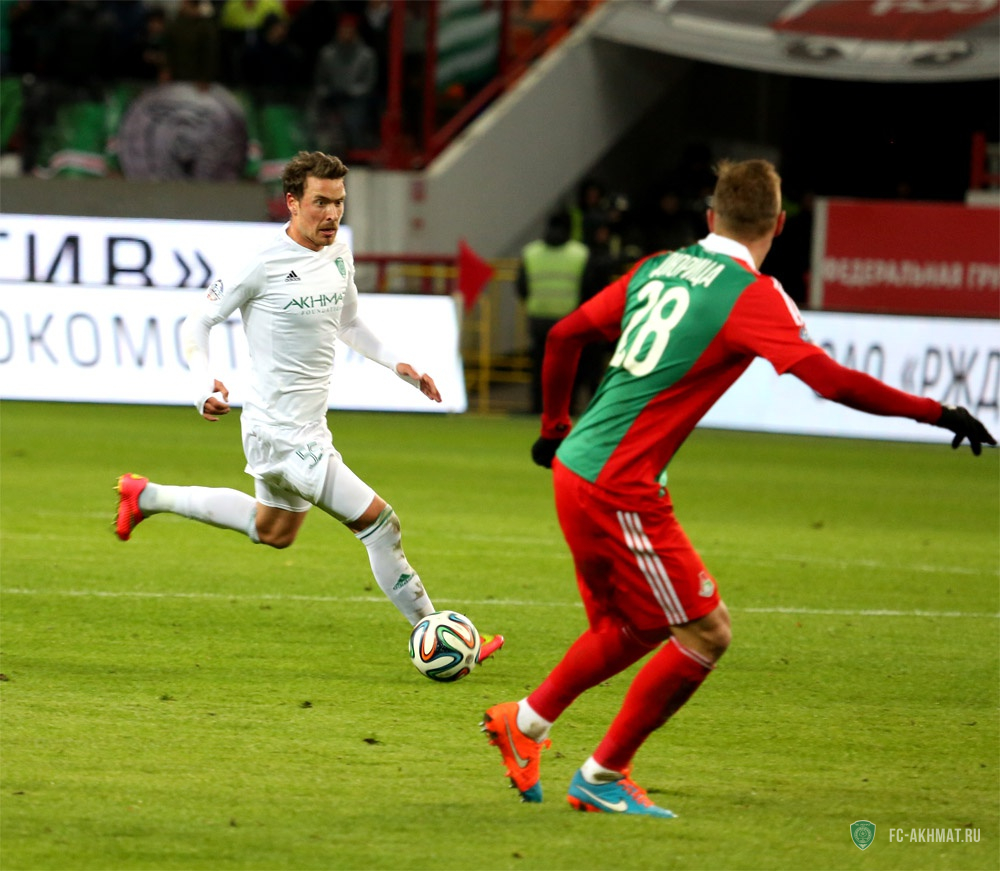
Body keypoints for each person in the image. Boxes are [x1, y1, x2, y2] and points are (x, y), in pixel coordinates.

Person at [483, 158, 995, 817]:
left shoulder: (659, 266)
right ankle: (602, 775)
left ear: (710, 216)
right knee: (706, 632)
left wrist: (555, 425)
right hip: (620, 484)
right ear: (779, 225)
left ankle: (524, 722)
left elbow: (564, 334)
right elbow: (829, 380)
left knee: (637, 623)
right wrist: (937, 411)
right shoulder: (752, 295)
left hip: (576, 467)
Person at [115, 151, 504, 663]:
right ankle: (438, 637)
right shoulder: (261, 262)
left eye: (339, 202)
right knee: (380, 524)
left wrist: (398, 365)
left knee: (272, 531)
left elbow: (348, 322)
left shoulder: (338, 253)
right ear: (293, 202)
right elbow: (198, 322)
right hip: (280, 433)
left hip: (302, 429)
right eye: (321, 202)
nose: (332, 214)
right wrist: (201, 383)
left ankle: (145, 496)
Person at [516, 210, 590, 414]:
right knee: (568, 369)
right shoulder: (580, 254)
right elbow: (588, 287)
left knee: (539, 367)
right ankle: (567, 409)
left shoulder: (531, 252)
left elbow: (521, 286)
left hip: (538, 319)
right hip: (569, 320)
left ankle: (537, 407)